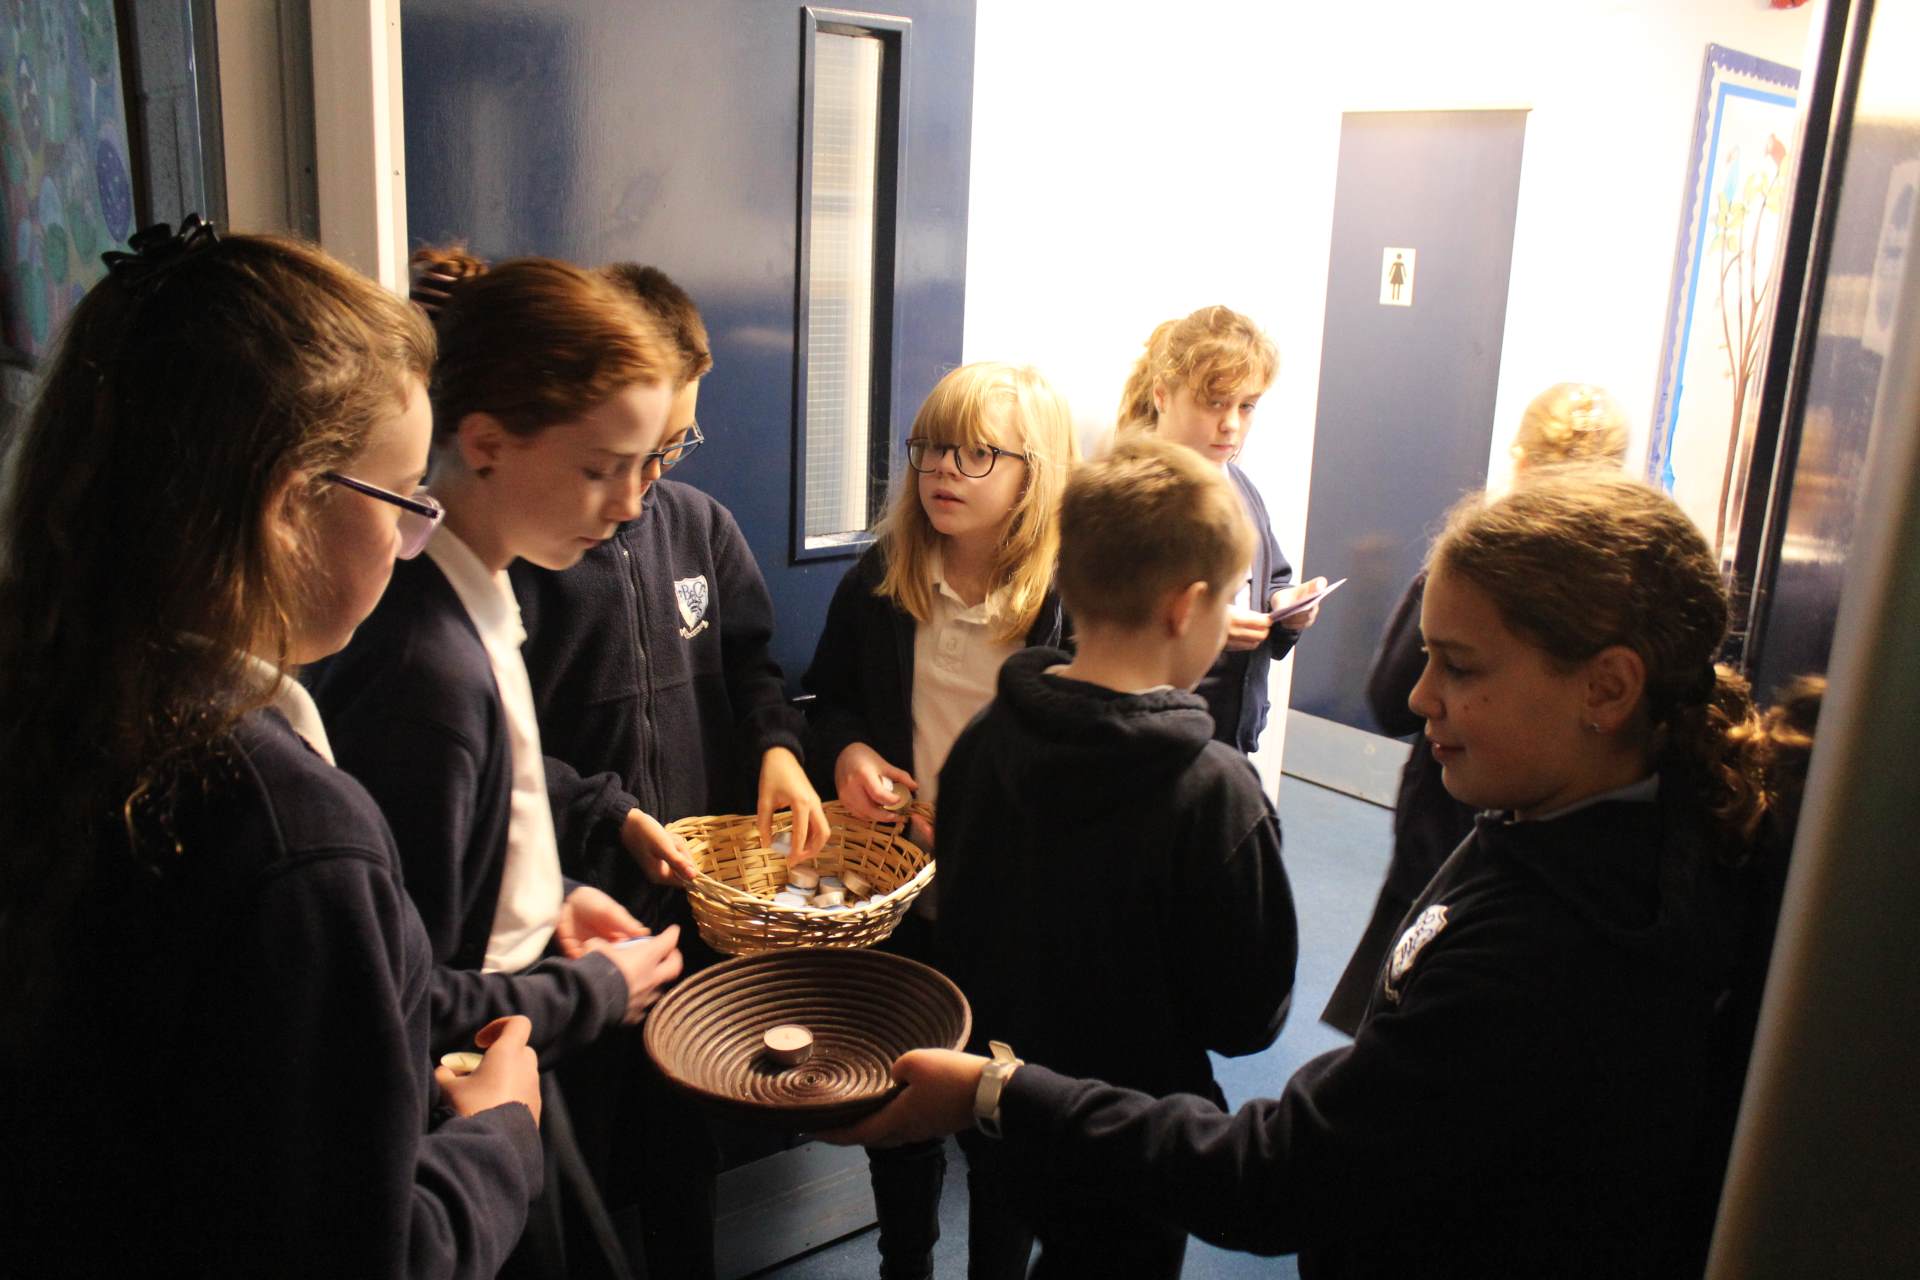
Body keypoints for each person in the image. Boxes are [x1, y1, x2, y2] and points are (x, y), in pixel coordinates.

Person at [830, 470, 1798, 1278]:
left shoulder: (1557, 948)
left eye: (1460, 667)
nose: (1418, 695)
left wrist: (996, 1092)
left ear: (1609, 687)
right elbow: (1261, 1019)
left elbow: (1278, 1176)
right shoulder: (1543, 815)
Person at [0, 221, 543, 1275]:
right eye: (405, 502)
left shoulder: (51, 694)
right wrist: (502, 1136)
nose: (411, 541)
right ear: (292, 506)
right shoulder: (289, 831)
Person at [309, 251, 693, 1277]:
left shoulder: (479, 593)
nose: (629, 504)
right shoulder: (425, 672)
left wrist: (545, 897)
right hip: (458, 1102)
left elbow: (469, 848)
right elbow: (404, 992)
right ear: (484, 443)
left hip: (511, 1036)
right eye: (600, 467)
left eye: (646, 465)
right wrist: (594, 990)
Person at [935, 436, 1298, 1278]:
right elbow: (1248, 1018)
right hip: (1134, 1138)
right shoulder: (1217, 793)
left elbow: (963, 923)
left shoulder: (982, 741)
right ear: (1187, 607)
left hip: (997, 1096)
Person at [801, 361, 1078, 1280]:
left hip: (1016, 915)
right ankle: (904, 1264)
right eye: (930, 449)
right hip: (903, 900)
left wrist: (990, 820)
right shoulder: (881, 578)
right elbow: (830, 699)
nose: (943, 471)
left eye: (977, 453)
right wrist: (848, 753)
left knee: (1001, 1113)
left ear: (1035, 473)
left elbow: (1092, 768)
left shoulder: (1066, 604)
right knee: (902, 1094)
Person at [1322, 382, 1632, 1033]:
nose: (1428, 694)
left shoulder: (1473, 574)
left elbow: (1392, 701)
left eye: (1459, 667)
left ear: (1521, 460)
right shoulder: (1629, 596)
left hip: (1442, 845)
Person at [511, 261, 827, 895]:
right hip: (579, 887)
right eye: (634, 451)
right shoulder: (529, 553)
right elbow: (502, 747)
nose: (651, 474)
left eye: (675, 444)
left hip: (710, 884)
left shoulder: (704, 526)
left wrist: (778, 748)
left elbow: (752, 670)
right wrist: (609, 815)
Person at [1117, 306, 1325, 753]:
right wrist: (1206, 628)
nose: (1231, 423)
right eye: (1214, 402)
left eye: (1246, 406)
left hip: (1227, 736)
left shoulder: (1240, 487)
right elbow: (1098, 624)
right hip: (1150, 741)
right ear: (1162, 394)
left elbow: (1270, 578)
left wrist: (1285, 606)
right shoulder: (1130, 494)